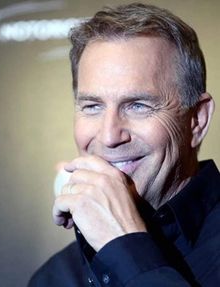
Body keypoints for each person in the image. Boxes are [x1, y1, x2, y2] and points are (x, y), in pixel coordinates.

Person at [28, 2, 220, 286]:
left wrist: (125, 247)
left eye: (138, 105)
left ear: (197, 120)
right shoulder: (56, 277)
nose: (109, 136)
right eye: (92, 106)